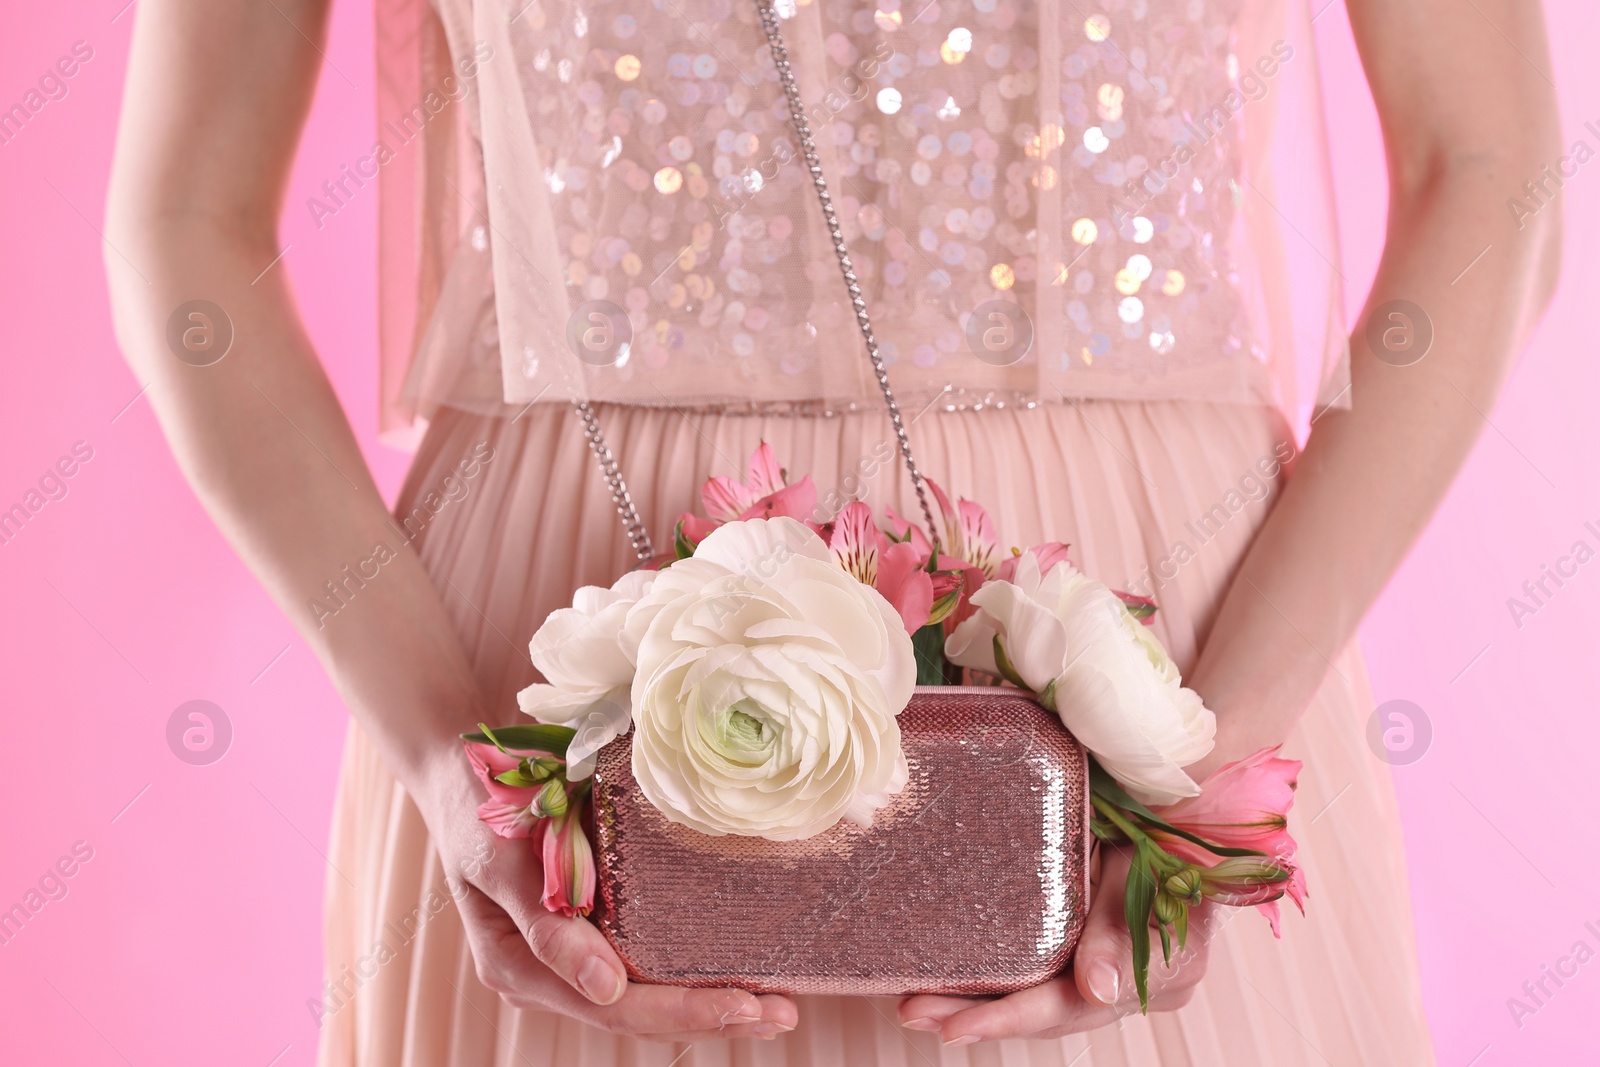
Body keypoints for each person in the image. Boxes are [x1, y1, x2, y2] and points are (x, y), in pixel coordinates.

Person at [105, 0, 1559, 1062]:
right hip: (544, 697)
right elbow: (187, 225)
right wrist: (445, 753)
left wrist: (1208, 769)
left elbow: (1486, 174)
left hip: (1171, 656)